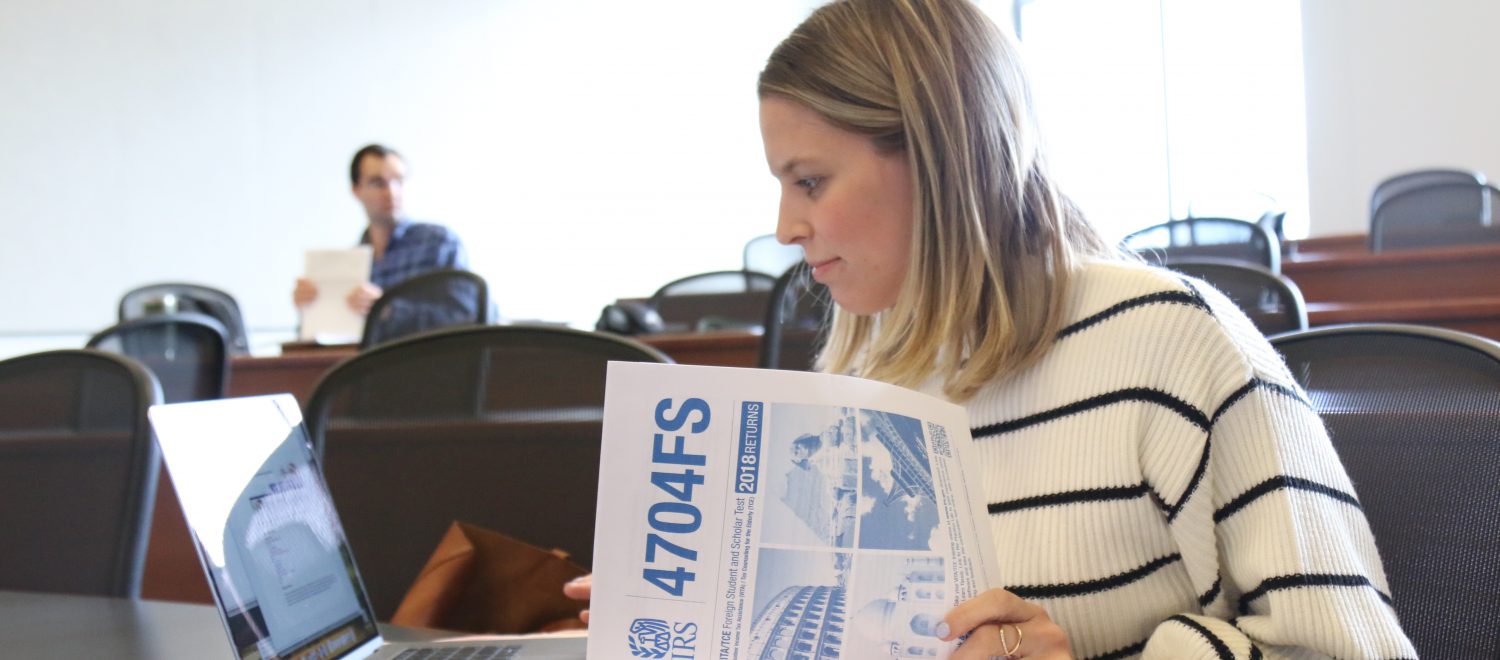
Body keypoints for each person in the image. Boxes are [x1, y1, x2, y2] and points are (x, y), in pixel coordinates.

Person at [572, 1, 1415, 657]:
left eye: (811, 180)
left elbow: (1345, 646)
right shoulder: (860, 366)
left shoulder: (1168, 340)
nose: (786, 226)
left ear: (940, 159)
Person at [292, 144, 470, 316]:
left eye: (398, 181)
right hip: (366, 348)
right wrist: (311, 308)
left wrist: (386, 308)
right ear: (356, 190)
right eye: (378, 183)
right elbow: (333, 335)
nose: (391, 192)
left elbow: (464, 313)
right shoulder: (350, 264)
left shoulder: (438, 243)